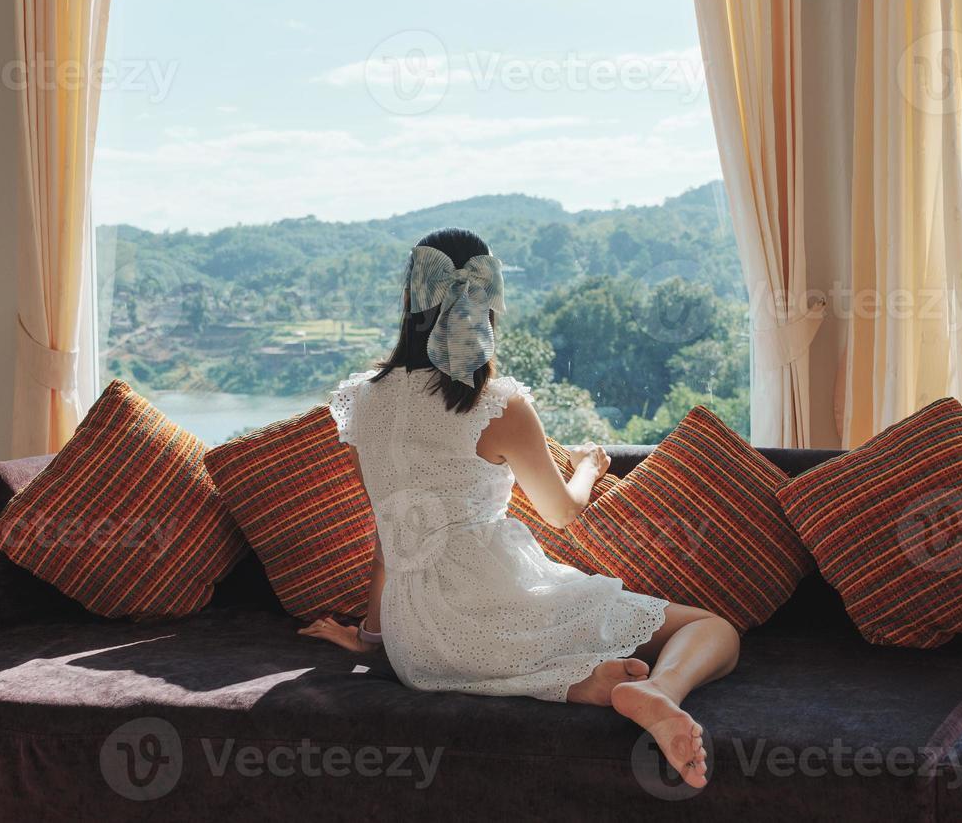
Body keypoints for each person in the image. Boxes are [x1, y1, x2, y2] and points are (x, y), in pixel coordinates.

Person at [298, 227, 739, 787]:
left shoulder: (365, 401)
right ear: (485, 301)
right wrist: (588, 468)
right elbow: (561, 513)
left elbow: (389, 537)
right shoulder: (495, 405)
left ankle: (587, 684)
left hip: (418, 646)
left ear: (411, 298)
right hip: (495, 604)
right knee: (713, 629)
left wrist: (371, 636)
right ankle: (658, 691)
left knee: (538, 652)